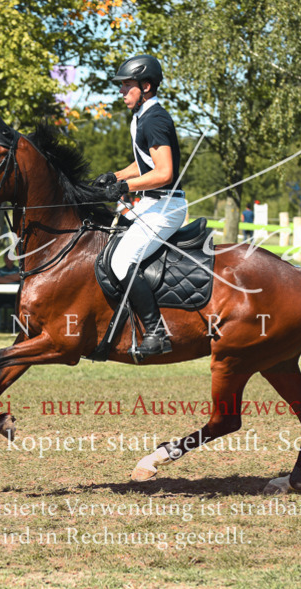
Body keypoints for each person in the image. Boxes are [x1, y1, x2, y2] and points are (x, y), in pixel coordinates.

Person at [92, 54, 188, 360]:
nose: (121, 92)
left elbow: (164, 173)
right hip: (150, 203)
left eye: (126, 86)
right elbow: (143, 162)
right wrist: (117, 175)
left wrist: (123, 188)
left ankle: (156, 331)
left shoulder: (155, 119)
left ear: (146, 86)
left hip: (165, 207)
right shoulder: (142, 118)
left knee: (122, 261)